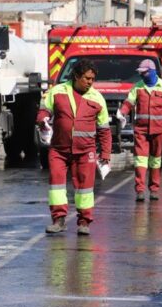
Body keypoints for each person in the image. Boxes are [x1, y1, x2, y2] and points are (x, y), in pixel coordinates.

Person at [37, 59, 112, 235]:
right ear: (76, 76)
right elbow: (43, 111)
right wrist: (43, 120)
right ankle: (59, 220)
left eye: (93, 79)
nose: (90, 82)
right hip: (59, 150)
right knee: (56, 186)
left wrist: (106, 154)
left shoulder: (97, 97)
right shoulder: (57, 92)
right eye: (87, 78)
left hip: (86, 152)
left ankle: (84, 222)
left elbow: (104, 130)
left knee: (85, 188)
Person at [118, 59, 162, 201]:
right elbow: (129, 102)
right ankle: (139, 190)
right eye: (141, 73)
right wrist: (122, 113)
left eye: (144, 73)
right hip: (141, 131)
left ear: (152, 71)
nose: (142, 75)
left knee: (156, 161)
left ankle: (154, 189)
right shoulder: (137, 87)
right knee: (140, 160)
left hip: (158, 131)